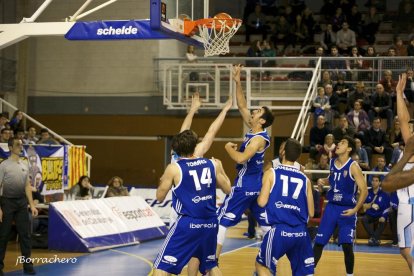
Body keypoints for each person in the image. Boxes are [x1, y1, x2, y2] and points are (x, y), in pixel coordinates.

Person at [152, 130, 231, 276]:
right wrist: (221, 167)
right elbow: (227, 189)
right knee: (210, 265)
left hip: (188, 223)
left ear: (175, 149)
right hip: (210, 223)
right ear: (194, 146)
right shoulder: (213, 164)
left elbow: (159, 197)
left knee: (162, 265)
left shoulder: (174, 168)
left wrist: (164, 180)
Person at [216, 65, 274, 259]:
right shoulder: (254, 129)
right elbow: (241, 105)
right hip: (256, 185)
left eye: (258, 111)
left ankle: (211, 260)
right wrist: (237, 81)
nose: (253, 111)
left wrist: (227, 148)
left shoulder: (258, 139)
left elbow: (241, 158)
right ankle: (270, 257)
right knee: (266, 225)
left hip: (244, 185)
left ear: (263, 121)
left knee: (221, 222)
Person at [255, 138, 315, 275]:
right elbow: (311, 213)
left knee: (261, 266)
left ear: (282, 152)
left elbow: (261, 202)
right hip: (301, 233)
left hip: (280, 231)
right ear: (298, 156)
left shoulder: (272, 173)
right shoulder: (305, 179)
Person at [313, 136, 368, 276]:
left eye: (342, 143)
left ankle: (350, 275)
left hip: (346, 209)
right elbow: (332, 180)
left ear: (349, 149)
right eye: (338, 142)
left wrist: (355, 209)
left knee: (347, 245)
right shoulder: (332, 162)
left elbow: (364, 190)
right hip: (331, 207)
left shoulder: (353, 167)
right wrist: (322, 180)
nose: (338, 144)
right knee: (319, 242)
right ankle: (308, 272)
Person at [381, 73, 414, 271]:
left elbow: (404, 121)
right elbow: (403, 120)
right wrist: (399, 94)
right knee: (404, 250)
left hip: (409, 205)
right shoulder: (409, 147)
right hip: (405, 204)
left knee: (407, 251)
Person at [0, 137, 38, 275]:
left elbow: (27, 186)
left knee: (25, 235)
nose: (20, 147)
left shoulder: (24, 165)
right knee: (3, 235)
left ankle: (28, 266)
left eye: (21, 145)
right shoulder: (4, 165)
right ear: (10, 148)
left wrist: (32, 205)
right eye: (17, 145)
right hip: (7, 202)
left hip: (21, 202)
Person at [361, 175, 390, 246]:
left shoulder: (384, 194)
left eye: (376, 181)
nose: (374, 182)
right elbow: (364, 206)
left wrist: (383, 216)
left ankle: (373, 238)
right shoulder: (368, 192)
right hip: (370, 214)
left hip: (379, 215)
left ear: (380, 183)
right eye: (373, 180)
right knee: (364, 219)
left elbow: (387, 208)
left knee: (384, 220)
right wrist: (370, 205)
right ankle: (375, 238)